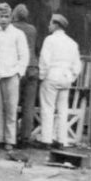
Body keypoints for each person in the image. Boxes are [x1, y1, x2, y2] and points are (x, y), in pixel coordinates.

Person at [38, 14, 82, 149]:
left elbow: (45, 61)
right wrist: (71, 77)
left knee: (48, 108)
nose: (48, 25)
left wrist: (42, 76)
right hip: (66, 77)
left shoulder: (49, 40)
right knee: (63, 110)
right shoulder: (72, 43)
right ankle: (61, 140)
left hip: (52, 75)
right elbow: (77, 66)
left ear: (56, 25)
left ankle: (46, 140)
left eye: (50, 23)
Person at [0, 2, 29, 150]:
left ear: (11, 17)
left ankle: (10, 140)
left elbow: (24, 55)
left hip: (12, 75)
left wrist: (19, 72)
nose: (4, 20)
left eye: (6, 16)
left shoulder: (18, 34)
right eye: (1, 16)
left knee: (11, 108)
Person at [12, 4, 40, 148]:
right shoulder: (32, 29)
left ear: (14, 15)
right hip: (33, 68)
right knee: (28, 106)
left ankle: (11, 136)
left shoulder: (11, 28)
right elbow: (36, 49)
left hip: (18, 68)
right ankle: (25, 139)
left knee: (12, 104)